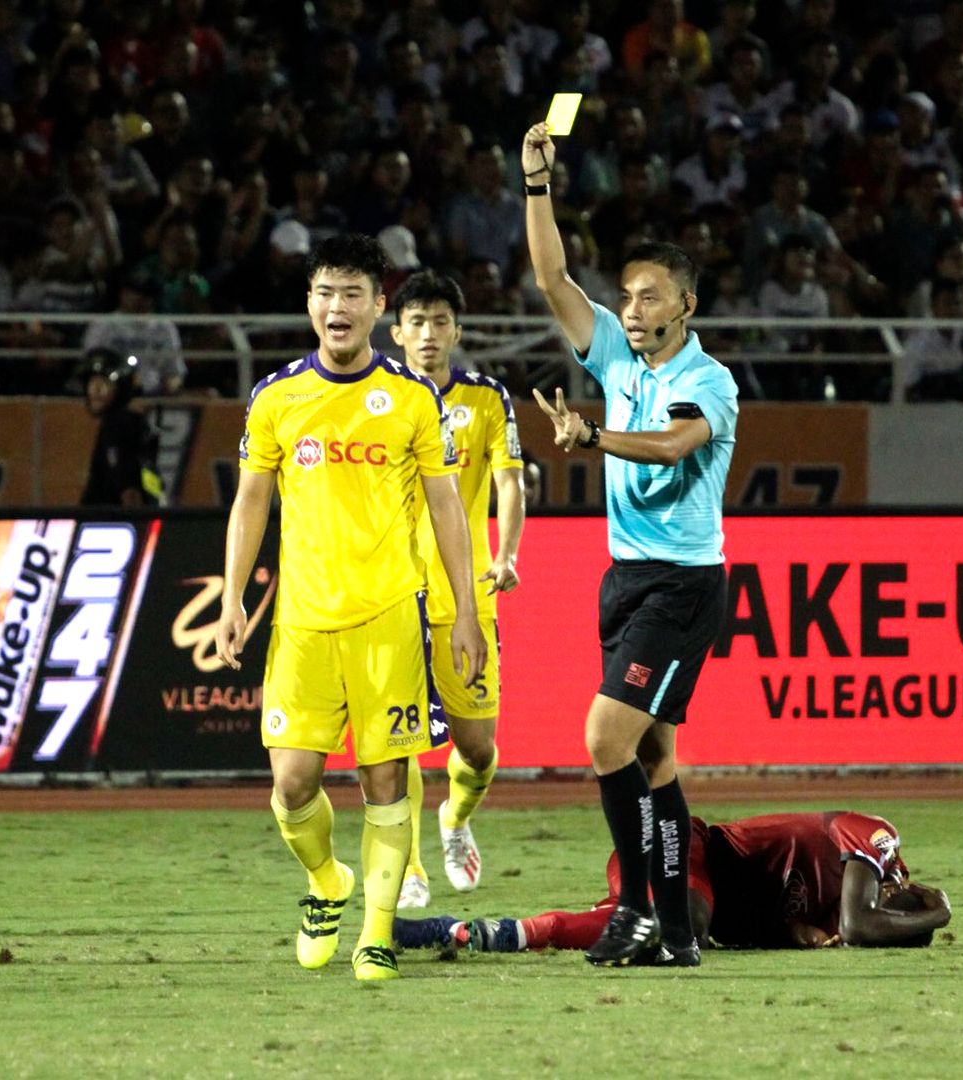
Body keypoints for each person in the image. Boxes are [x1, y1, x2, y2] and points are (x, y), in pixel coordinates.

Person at [214, 234, 489, 982]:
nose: (336, 308)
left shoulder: (411, 398)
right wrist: (234, 597)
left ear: (377, 307)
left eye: (352, 294)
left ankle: (376, 932)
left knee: (384, 783)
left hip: (390, 617)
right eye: (324, 292)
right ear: (310, 302)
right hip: (302, 621)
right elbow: (250, 502)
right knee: (293, 784)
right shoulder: (276, 397)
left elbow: (447, 511)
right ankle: (326, 881)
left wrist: (465, 611)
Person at [520, 120, 739, 968]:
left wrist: (594, 439)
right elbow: (550, 276)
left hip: (684, 587)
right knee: (653, 758)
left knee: (604, 738)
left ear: (686, 304)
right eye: (628, 295)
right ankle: (679, 936)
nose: (632, 309)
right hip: (626, 579)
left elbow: (674, 445)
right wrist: (538, 185)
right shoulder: (618, 355)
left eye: (651, 296)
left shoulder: (703, 379)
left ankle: (640, 909)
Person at [387, 270, 527, 909]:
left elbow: (509, 482)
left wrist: (506, 554)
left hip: (464, 598)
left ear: (458, 331)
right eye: (416, 322)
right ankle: (409, 865)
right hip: (388, 594)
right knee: (401, 739)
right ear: (396, 333)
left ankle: (455, 818)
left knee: (477, 747)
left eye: (440, 321)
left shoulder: (488, 399)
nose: (428, 334)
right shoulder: (378, 399)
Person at [394, 810, 950, 954]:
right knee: (684, 931)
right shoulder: (879, 838)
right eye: (904, 907)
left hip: (677, 887)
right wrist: (940, 912)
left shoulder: (820, 921)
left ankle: (460, 932)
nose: (892, 911)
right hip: (683, 844)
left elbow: (855, 927)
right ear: (904, 881)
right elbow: (860, 925)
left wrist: (789, 933)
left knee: (620, 929)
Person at [77, 348, 162, 506]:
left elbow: (130, 491)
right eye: (92, 381)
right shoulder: (136, 423)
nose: (96, 390)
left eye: (104, 382)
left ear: (121, 387)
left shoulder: (118, 425)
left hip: (111, 525)